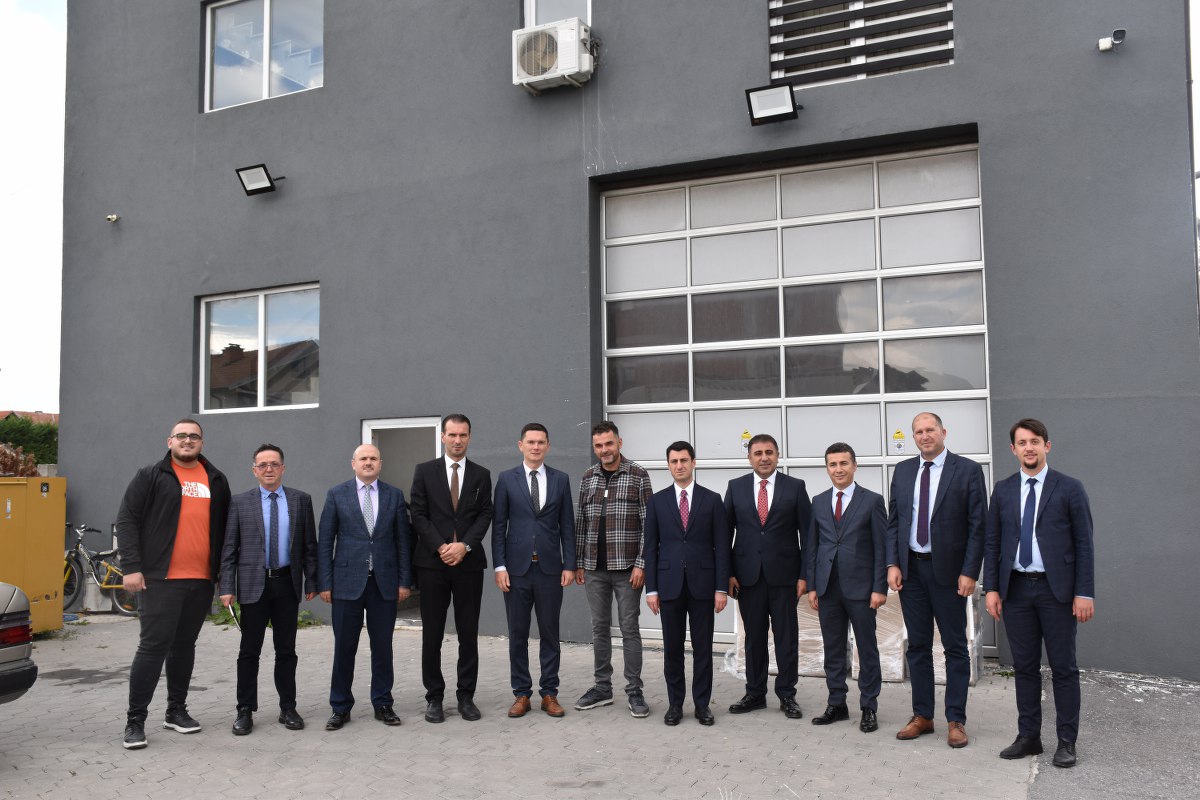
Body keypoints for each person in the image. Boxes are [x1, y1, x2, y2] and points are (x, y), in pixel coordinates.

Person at [984, 419, 1095, 768]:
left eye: (1035, 441)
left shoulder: (1069, 488)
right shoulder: (1003, 490)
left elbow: (1084, 544)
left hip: (1056, 591)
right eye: (1022, 442)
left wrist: (1084, 592)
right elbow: (993, 542)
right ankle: (1029, 737)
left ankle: (1066, 741)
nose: (1028, 448)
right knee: (1025, 668)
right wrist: (992, 588)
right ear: (1013, 449)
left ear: (1047, 446)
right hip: (1016, 590)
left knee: (1063, 668)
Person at [115, 418, 231, 750]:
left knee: (184, 647)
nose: (187, 440)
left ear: (202, 443)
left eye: (194, 436)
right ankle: (135, 721)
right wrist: (131, 567)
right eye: (181, 436)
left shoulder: (216, 479)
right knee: (153, 648)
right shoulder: (151, 475)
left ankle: (176, 711)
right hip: (159, 579)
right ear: (170, 441)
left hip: (200, 580)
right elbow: (127, 519)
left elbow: (225, 530)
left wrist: (223, 576)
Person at [886, 411, 986, 748]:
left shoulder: (967, 471)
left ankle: (956, 719)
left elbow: (978, 526)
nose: (925, 436)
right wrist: (893, 563)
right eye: (918, 432)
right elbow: (895, 521)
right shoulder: (903, 471)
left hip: (950, 574)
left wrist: (970, 571)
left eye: (930, 430)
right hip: (912, 572)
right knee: (917, 646)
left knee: (955, 647)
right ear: (913, 437)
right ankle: (923, 716)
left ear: (944, 432)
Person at [218, 443, 317, 735]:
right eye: (263, 465)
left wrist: (312, 581)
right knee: (249, 651)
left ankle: (288, 707)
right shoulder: (240, 503)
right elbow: (229, 549)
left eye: (274, 464)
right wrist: (226, 586)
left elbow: (309, 546)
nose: (269, 469)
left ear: (283, 468)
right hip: (253, 585)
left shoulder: (301, 500)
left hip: (286, 584)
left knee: (286, 650)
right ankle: (245, 710)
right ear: (254, 470)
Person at [317, 443, 413, 730]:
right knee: (344, 648)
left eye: (373, 458)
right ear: (353, 463)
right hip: (346, 584)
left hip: (384, 583)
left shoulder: (394, 495)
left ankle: (383, 703)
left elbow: (403, 542)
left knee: (382, 647)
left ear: (380, 464)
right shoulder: (337, 494)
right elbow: (326, 542)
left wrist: (404, 581)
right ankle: (340, 707)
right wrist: (325, 582)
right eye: (363, 459)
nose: (368, 463)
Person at [409, 413, 493, 724]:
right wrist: (441, 546)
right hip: (433, 564)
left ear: (469, 437)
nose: (457, 440)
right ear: (443, 437)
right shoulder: (424, 471)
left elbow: (485, 514)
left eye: (463, 435)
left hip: (468, 564)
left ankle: (466, 696)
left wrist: (464, 545)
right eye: (452, 435)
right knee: (432, 633)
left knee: (468, 633)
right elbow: (418, 514)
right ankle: (434, 697)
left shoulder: (481, 475)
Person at [492, 423, 576, 718]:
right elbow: (499, 526)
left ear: (548, 446)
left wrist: (569, 564)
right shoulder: (506, 479)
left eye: (541, 442)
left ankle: (549, 693)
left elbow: (567, 526)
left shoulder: (560, 479)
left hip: (550, 570)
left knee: (550, 633)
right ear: (521, 445)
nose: (536, 447)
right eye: (531, 442)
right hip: (516, 571)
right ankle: (521, 694)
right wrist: (500, 566)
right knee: (517, 633)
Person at [724, 433, 811, 719]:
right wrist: (728, 574)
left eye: (769, 452)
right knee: (754, 638)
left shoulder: (795, 487)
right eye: (758, 453)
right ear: (749, 457)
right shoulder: (735, 487)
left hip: (785, 578)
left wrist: (804, 575)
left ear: (777, 455)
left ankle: (787, 694)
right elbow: (724, 534)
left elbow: (808, 535)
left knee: (786, 638)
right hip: (747, 578)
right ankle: (755, 693)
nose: (764, 458)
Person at [644, 441, 731, 727]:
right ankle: (675, 704)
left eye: (684, 460)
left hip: (703, 585)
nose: (679, 465)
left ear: (693, 463)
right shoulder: (657, 502)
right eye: (674, 461)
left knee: (703, 648)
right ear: (668, 465)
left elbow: (722, 547)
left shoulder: (712, 499)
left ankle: (702, 705)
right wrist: (651, 589)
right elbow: (650, 548)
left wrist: (721, 588)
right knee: (672, 649)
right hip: (669, 585)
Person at [572, 421, 654, 718]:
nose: (604, 450)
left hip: (627, 569)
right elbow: (581, 522)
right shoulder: (588, 477)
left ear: (619, 442)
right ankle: (602, 688)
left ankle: (634, 691)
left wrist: (642, 563)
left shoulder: (638, 475)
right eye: (598, 446)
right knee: (599, 628)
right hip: (594, 568)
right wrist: (578, 562)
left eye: (608, 444)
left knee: (630, 628)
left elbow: (649, 525)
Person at [805, 443, 887, 733]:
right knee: (833, 648)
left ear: (854, 465)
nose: (838, 469)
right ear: (827, 468)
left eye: (843, 463)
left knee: (867, 648)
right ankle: (837, 702)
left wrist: (879, 587)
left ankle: (869, 706)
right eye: (832, 464)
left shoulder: (872, 501)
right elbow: (812, 547)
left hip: (862, 590)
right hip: (828, 588)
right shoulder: (818, 501)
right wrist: (812, 586)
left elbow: (881, 547)